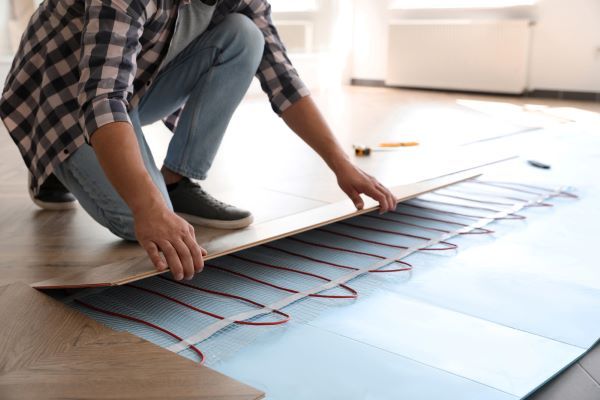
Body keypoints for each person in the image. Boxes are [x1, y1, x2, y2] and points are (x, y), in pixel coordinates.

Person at [0, 0, 396, 281]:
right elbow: (102, 100)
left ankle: (177, 179)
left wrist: (341, 165)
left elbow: (282, 78)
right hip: (61, 99)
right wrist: (148, 208)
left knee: (245, 35)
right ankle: (54, 163)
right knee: (136, 221)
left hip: (135, 84)